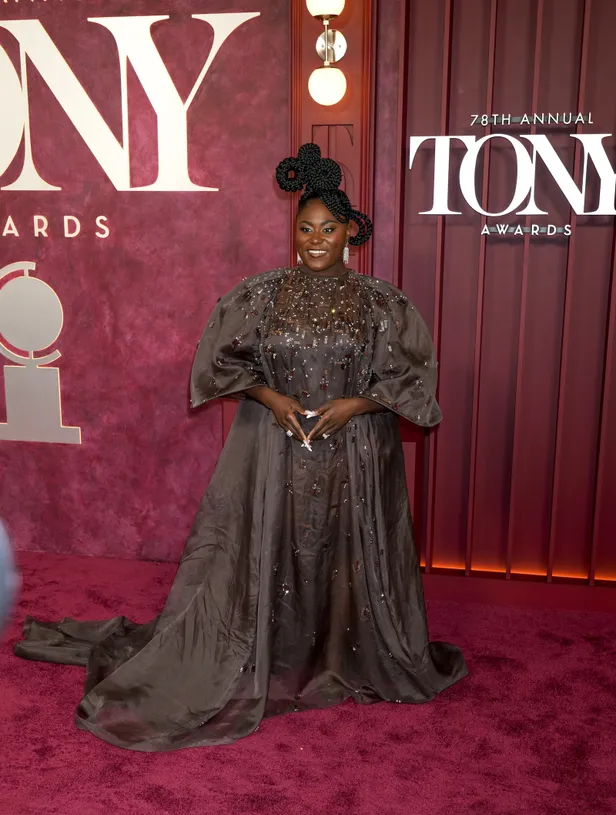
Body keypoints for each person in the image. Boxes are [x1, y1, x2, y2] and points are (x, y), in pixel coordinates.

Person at [14, 143, 467, 751]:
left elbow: (411, 380)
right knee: (270, 553)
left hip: (354, 454)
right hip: (275, 451)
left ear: (349, 235)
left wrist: (353, 405)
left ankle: (342, 654)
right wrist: (272, 399)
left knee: (345, 551)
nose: (314, 240)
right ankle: (274, 651)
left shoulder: (380, 303)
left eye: (327, 229)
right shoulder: (260, 294)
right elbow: (221, 367)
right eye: (305, 228)